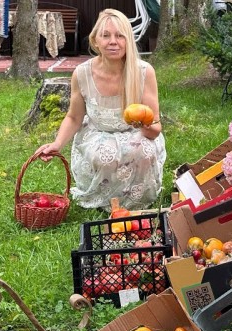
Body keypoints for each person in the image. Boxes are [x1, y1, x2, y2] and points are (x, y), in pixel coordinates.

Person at [35, 9, 166, 211]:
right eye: (106, 35)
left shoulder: (144, 72)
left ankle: (137, 199)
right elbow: (74, 117)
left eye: (120, 35)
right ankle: (104, 199)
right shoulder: (82, 73)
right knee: (107, 155)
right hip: (99, 133)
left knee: (143, 150)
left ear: (128, 40)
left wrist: (144, 127)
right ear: (95, 41)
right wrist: (57, 143)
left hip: (134, 133)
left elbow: (155, 127)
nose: (113, 41)